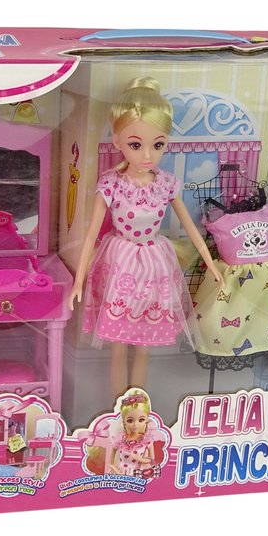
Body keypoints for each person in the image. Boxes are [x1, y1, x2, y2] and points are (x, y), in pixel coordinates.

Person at [69, 77, 223, 399]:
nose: (148, 155)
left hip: (154, 265)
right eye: (136, 145)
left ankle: (138, 409)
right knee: (118, 348)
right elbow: (91, 234)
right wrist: (78, 281)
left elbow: (191, 228)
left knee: (143, 347)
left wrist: (211, 264)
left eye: (158, 144)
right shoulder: (112, 183)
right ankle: (118, 411)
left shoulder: (165, 183)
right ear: (118, 141)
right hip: (121, 263)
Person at [108, 389, 158, 477]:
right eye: (130, 421)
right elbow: (111, 463)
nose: (135, 425)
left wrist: (138, 458)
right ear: (124, 422)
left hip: (138, 473)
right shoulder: (119, 440)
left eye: (141, 420)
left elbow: (151, 459)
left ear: (146, 420)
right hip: (121, 473)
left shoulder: (147, 440)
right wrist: (118, 472)